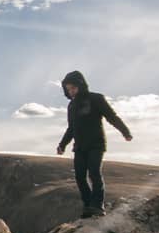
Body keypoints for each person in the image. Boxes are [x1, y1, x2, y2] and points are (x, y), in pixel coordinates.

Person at [55, 70, 132, 217]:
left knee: (94, 173)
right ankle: (88, 205)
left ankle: (97, 206)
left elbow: (111, 116)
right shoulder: (71, 106)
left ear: (81, 85)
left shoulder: (96, 99)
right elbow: (71, 128)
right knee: (79, 177)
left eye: (73, 88)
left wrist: (125, 132)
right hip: (79, 147)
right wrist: (62, 145)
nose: (71, 92)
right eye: (68, 89)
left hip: (96, 144)